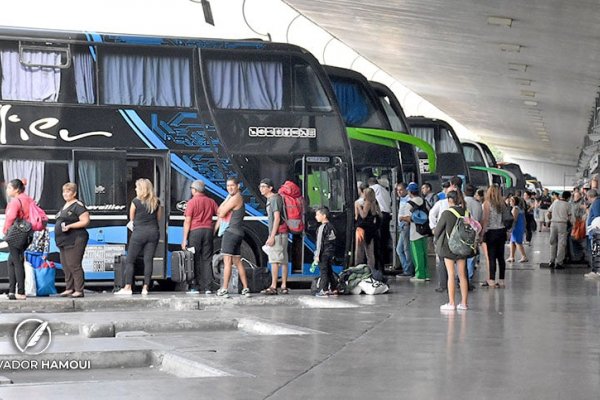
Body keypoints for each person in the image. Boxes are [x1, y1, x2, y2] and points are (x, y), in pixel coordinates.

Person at [115, 178, 161, 296]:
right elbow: (158, 219)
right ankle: (145, 288)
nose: (135, 189)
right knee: (148, 260)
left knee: (130, 260)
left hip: (139, 233)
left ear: (141, 189)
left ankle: (128, 287)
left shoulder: (135, 201)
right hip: (153, 233)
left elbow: (132, 219)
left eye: (137, 187)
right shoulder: (156, 202)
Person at [182, 180, 218, 294]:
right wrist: (214, 229)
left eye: (192, 189)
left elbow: (187, 221)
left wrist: (184, 239)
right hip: (208, 231)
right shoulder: (211, 201)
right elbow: (221, 215)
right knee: (207, 259)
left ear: (195, 190)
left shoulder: (191, 203)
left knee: (194, 259)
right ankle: (208, 288)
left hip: (195, 233)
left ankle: (195, 287)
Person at [434, 190, 469, 311]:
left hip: (449, 247)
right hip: (463, 247)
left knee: (451, 275)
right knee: (462, 275)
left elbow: (437, 231)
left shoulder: (446, 213)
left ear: (449, 200)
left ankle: (451, 303)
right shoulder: (466, 212)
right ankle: (464, 303)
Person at [216, 177, 251, 297]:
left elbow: (220, 212)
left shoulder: (235, 198)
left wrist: (225, 203)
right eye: (227, 186)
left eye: (232, 185)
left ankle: (224, 288)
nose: (229, 188)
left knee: (227, 261)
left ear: (238, 186)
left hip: (230, 232)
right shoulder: (236, 198)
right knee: (237, 261)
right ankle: (246, 288)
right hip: (239, 232)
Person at [55, 183, 90, 298]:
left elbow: (85, 221)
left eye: (68, 191)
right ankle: (69, 288)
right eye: (64, 191)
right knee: (65, 265)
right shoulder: (65, 205)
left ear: (74, 193)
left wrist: (70, 226)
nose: (65, 194)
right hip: (64, 240)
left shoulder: (78, 205)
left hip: (75, 238)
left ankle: (79, 290)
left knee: (74, 264)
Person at [429, 176, 463, 292]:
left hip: (444, 238)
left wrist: (434, 229)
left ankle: (444, 285)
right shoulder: (464, 208)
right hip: (460, 238)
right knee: (460, 264)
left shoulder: (443, 206)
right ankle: (463, 285)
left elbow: (432, 215)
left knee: (444, 262)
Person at [3, 179, 34, 300]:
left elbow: (10, 217)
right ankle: (11, 291)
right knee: (12, 260)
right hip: (27, 234)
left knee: (17, 262)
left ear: (16, 189)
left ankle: (20, 292)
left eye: (9, 188)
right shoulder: (29, 199)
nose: (7, 190)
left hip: (16, 234)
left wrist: (5, 231)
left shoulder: (16, 201)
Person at [259, 178, 289, 295]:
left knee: (274, 260)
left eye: (263, 186)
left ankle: (273, 286)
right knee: (283, 260)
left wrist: (272, 236)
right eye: (260, 186)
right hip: (282, 233)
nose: (261, 189)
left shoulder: (274, 199)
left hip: (278, 234)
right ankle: (284, 286)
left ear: (270, 188)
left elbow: (277, 217)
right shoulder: (274, 198)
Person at [480, 185, 507, 288]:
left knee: (491, 257)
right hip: (501, 231)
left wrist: (482, 233)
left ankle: (491, 279)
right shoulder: (502, 203)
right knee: (501, 257)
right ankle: (501, 279)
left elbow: (486, 220)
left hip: (491, 232)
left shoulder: (487, 203)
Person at [402, 182, 429, 282]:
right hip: (424, 231)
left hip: (415, 232)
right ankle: (426, 274)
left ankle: (419, 275)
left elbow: (409, 218)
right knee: (424, 253)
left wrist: (402, 218)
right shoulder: (423, 201)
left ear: (409, 192)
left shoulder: (409, 204)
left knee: (417, 254)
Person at [368, 177, 392, 269]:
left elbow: (369, 196)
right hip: (387, 215)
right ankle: (385, 260)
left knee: (379, 241)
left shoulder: (374, 188)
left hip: (381, 215)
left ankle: (379, 263)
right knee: (384, 240)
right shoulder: (384, 190)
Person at [356, 187, 381, 275]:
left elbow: (363, 215)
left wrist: (358, 207)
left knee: (360, 250)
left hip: (364, 229)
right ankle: (372, 269)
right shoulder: (375, 202)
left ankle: (359, 268)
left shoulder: (367, 203)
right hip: (372, 229)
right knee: (370, 251)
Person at [313, 207, 337, 297]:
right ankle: (334, 288)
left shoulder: (322, 228)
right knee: (329, 271)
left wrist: (317, 255)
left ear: (324, 216)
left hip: (323, 253)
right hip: (330, 252)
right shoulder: (331, 226)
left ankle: (324, 289)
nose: (316, 217)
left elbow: (319, 243)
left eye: (318, 215)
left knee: (323, 271)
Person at [464, 184, 483, 287]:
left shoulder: (461, 202)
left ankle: (460, 277)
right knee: (471, 256)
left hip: (462, 232)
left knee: (461, 255)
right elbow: (479, 218)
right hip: (474, 232)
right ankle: (469, 279)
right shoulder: (478, 204)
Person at [547, 191, 572, 269]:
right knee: (562, 243)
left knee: (552, 242)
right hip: (562, 224)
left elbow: (548, 213)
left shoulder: (555, 202)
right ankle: (559, 263)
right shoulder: (568, 204)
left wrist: (550, 219)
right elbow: (571, 217)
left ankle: (551, 261)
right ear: (568, 197)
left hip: (553, 224)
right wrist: (573, 225)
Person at [395, 183, 413, 277]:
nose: (399, 192)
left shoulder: (408, 200)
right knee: (400, 249)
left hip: (406, 225)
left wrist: (402, 219)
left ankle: (408, 270)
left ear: (406, 189)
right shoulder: (401, 199)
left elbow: (409, 214)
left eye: (401, 190)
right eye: (397, 190)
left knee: (405, 249)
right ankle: (407, 268)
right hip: (402, 226)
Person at [506, 196, 528, 263]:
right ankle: (511, 256)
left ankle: (524, 256)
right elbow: (524, 219)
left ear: (514, 202)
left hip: (516, 227)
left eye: (511, 201)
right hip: (520, 226)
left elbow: (514, 219)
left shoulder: (515, 209)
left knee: (517, 242)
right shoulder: (520, 209)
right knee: (512, 241)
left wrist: (511, 228)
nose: (509, 202)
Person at [584, 189, 600, 279]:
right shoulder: (596, 203)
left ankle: (596, 271)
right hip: (594, 231)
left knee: (595, 252)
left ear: (590, 197)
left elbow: (598, 217)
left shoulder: (596, 203)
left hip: (595, 232)